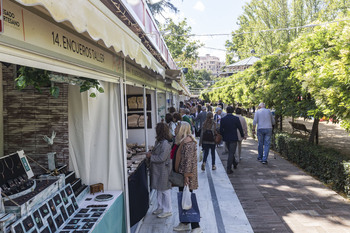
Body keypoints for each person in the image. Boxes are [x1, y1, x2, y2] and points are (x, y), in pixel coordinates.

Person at [173, 122, 201, 233]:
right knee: (184, 198)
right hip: (183, 174)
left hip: (186, 176)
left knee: (188, 199)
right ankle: (185, 222)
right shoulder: (182, 142)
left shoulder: (188, 143)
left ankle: (196, 226)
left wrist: (186, 176)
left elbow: (189, 162)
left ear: (182, 129)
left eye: (177, 127)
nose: (175, 129)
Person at [147, 123, 173, 218]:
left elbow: (162, 157)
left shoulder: (165, 143)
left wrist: (151, 156)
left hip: (163, 170)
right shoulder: (159, 142)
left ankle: (168, 209)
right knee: (159, 189)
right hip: (158, 169)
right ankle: (160, 207)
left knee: (165, 190)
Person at [220, 106, 244, 174]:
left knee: (231, 152)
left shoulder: (223, 119)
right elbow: (240, 128)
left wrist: (223, 135)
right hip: (233, 138)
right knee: (231, 153)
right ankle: (228, 168)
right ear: (233, 111)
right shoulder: (235, 119)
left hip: (226, 138)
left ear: (227, 111)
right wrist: (242, 135)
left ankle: (235, 163)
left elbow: (221, 130)